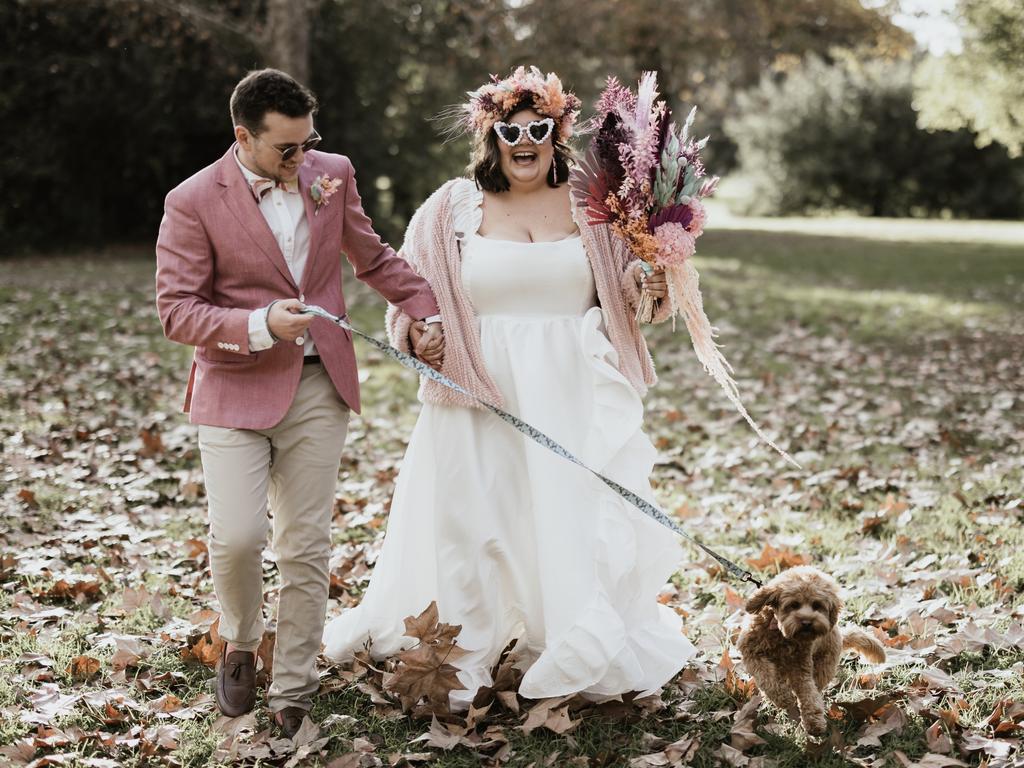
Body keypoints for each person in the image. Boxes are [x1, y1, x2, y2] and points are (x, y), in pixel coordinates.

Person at [322, 66, 695, 708]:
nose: (524, 141)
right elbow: (409, 295)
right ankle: (462, 651)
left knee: (568, 520)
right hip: (477, 388)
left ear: (559, 134)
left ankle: (569, 640)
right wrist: (420, 334)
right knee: (472, 521)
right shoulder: (449, 209)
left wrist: (651, 288)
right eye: (510, 130)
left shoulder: (597, 206)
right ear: (490, 136)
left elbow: (631, 294)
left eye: (538, 129)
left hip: (570, 385)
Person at [155, 68, 444, 736]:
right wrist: (257, 327)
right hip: (233, 388)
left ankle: (293, 688)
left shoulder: (330, 172)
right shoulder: (193, 200)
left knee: (305, 545)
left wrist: (424, 310)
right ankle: (238, 637)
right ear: (243, 137)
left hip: (319, 386)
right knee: (237, 538)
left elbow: (371, 259)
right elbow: (177, 311)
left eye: (307, 142)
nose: (300, 159)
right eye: (286, 148)